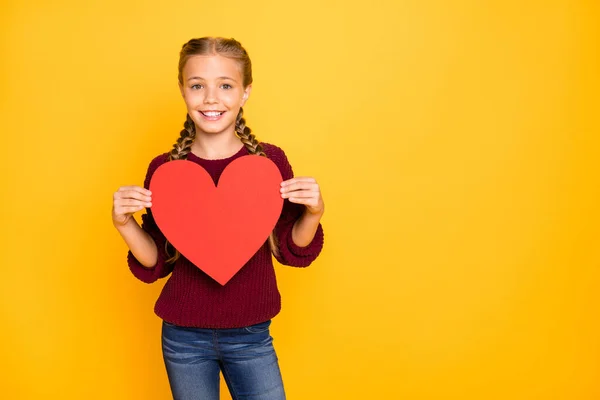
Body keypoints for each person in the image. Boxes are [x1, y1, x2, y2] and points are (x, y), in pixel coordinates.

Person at [111, 37, 325, 400]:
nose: (211, 99)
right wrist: (124, 224)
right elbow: (157, 262)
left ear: (245, 92)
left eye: (225, 85)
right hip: (182, 337)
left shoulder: (269, 163)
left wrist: (314, 213)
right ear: (183, 91)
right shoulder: (165, 170)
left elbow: (290, 250)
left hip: (251, 334)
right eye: (198, 86)